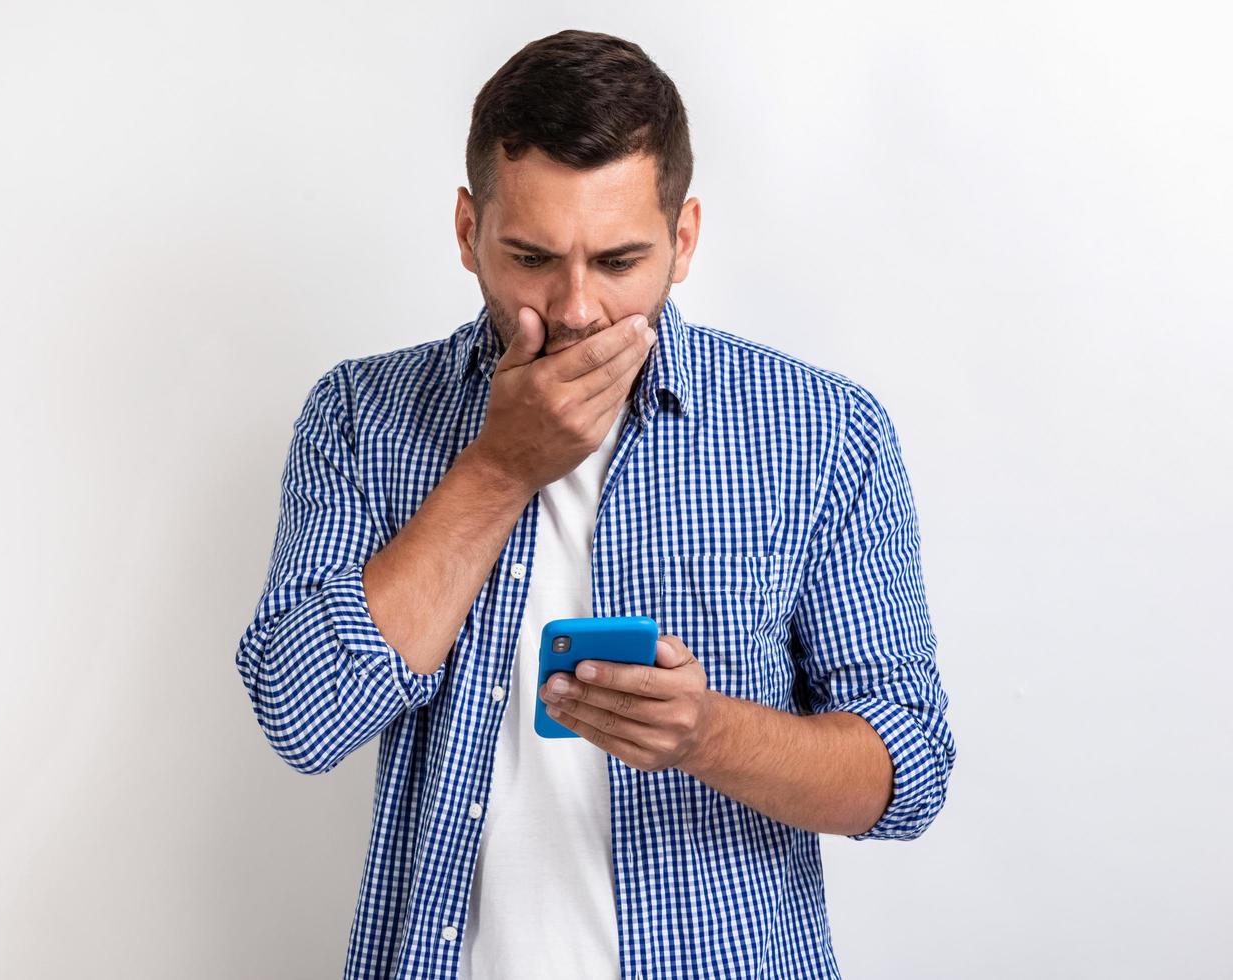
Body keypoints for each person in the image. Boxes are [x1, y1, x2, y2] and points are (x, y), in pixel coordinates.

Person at [234, 28, 956, 980]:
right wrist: (497, 470)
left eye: (618, 262)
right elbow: (302, 714)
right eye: (531, 257)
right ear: (466, 232)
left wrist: (706, 733)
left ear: (683, 239)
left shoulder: (823, 433)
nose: (574, 309)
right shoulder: (362, 417)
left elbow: (904, 776)